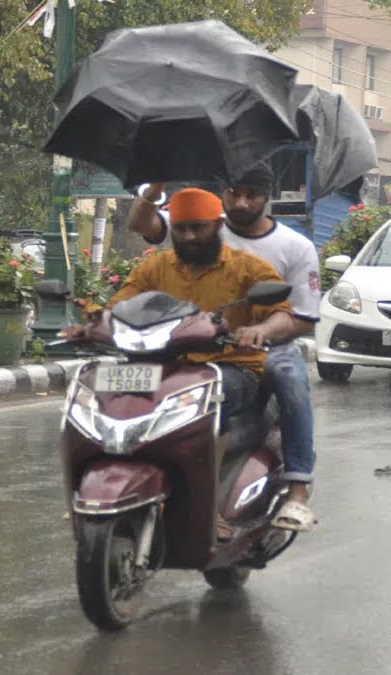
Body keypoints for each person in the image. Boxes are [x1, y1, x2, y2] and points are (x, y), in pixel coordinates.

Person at [67, 188, 298, 537]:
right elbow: (119, 306)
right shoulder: (154, 267)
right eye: (181, 228)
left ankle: (210, 505)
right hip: (161, 367)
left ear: (217, 226)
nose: (189, 236)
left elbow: (282, 316)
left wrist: (260, 330)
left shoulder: (247, 268)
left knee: (214, 400)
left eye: (198, 228)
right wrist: (91, 327)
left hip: (229, 367)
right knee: (101, 394)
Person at [127, 165, 321, 533]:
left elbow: (303, 318)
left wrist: (259, 331)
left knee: (289, 377)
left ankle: (297, 490)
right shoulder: (200, 225)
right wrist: (157, 182)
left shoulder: (295, 247)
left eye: (252, 195)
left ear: (268, 198)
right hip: (186, 345)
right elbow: (141, 223)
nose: (241, 202)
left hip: (256, 348)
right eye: (234, 193)